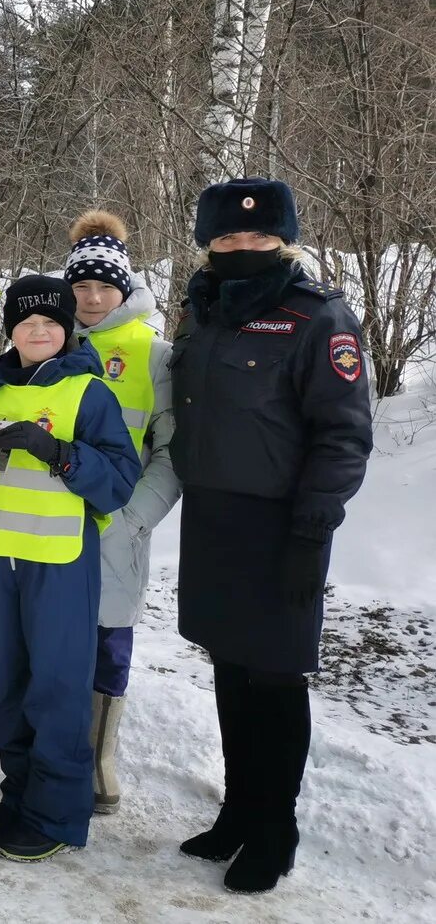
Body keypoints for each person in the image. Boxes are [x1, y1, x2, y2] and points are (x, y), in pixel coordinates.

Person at [170, 178, 372, 894]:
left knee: (276, 677)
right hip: (215, 519)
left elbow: (344, 433)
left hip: (285, 524)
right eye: (227, 238)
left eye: (259, 238)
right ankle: (239, 810)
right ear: (208, 243)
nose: (242, 248)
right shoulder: (204, 312)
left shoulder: (317, 317)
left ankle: (276, 828)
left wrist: (314, 525)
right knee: (230, 667)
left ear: (282, 240)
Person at [0, 275, 140, 862]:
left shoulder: (88, 393)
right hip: (2, 560)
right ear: (9, 331)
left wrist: (62, 455)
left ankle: (56, 814)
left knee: (57, 688)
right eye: (25, 323)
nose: (38, 332)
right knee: (9, 685)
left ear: (66, 329)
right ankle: (20, 793)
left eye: (49, 323)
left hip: (61, 564)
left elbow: (121, 480)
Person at [61, 211, 181, 815]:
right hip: (49, 521)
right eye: (80, 287)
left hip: (117, 526)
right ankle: (56, 752)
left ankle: (100, 757)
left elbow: (171, 449)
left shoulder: (153, 353)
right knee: (54, 639)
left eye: (102, 287)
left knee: (109, 644)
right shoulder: (46, 338)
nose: (91, 298)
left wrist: (136, 517)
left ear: (123, 286)